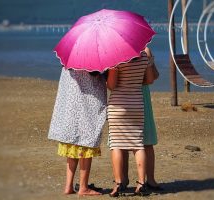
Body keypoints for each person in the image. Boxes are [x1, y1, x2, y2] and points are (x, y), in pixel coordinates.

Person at [48, 68, 107, 196]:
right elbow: (98, 75)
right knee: (86, 144)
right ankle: (83, 187)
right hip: (87, 105)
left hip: (71, 107)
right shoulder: (93, 61)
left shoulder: (69, 62)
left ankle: (68, 186)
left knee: (72, 144)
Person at [107, 49, 155, 197]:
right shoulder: (143, 56)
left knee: (116, 145)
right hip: (137, 105)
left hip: (118, 106)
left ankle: (119, 183)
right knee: (137, 144)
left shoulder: (116, 58)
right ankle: (141, 183)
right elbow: (150, 80)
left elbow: (112, 85)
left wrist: (109, 73)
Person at [122, 47, 163, 191]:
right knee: (147, 140)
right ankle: (150, 179)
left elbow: (111, 83)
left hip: (121, 97)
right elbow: (152, 78)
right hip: (141, 96)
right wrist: (149, 62)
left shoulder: (116, 50)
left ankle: (123, 179)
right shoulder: (145, 50)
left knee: (122, 143)